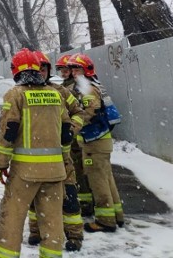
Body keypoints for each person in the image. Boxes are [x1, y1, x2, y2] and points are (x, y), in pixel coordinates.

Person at [0, 48, 70, 258]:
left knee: (11, 220)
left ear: (16, 71)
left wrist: (1, 164)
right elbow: (66, 132)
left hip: (25, 173)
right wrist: (65, 160)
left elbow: (8, 134)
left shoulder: (15, 95)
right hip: (55, 172)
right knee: (53, 223)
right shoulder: (55, 94)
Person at [27, 51, 86, 252]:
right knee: (34, 199)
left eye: (44, 69)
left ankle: (75, 236)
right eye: (37, 69)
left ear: (48, 71)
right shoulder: (23, 92)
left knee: (69, 196)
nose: (41, 73)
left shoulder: (60, 91)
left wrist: (71, 130)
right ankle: (35, 232)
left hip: (62, 156)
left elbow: (79, 112)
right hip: (34, 158)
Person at [67, 53, 125, 232]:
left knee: (97, 180)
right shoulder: (94, 85)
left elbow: (88, 113)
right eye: (72, 69)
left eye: (77, 69)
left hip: (94, 142)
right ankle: (116, 214)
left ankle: (105, 221)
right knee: (107, 178)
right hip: (101, 140)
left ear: (86, 70)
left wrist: (72, 126)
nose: (73, 73)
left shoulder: (88, 89)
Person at [58, 54, 94, 217]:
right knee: (75, 170)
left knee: (80, 170)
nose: (65, 73)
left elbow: (83, 113)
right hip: (72, 136)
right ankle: (81, 200)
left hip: (78, 136)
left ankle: (86, 203)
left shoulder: (78, 87)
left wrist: (72, 130)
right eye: (62, 70)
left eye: (67, 70)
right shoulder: (66, 86)